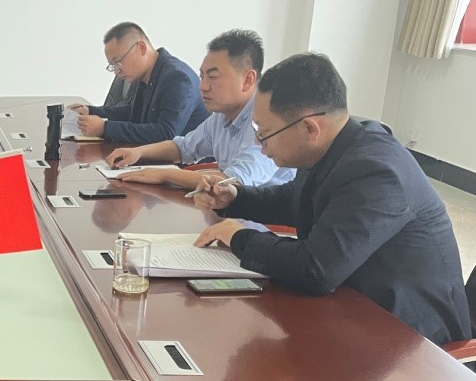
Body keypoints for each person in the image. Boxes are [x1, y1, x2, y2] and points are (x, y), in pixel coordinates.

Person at [193, 52, 470, 346]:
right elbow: (294, 200)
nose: (259, 144)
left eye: (265, 133)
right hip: (352, 308)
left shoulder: (377, 171)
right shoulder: (334, 145)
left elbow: (316, 269)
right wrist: (234, 198)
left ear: (310, 129)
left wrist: (239, 237)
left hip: (413, 341)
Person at [108, 29, 294, 190]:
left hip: (267, 217)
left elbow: (231, 181)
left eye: (213, 77)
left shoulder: (267, 121)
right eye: (202, 76)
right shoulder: (222, 115)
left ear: (247, 80)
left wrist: (163, 174)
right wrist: (139, 153)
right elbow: (183, 148)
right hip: (233, 209)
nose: (202, 87)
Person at [71, 22, 208, 144]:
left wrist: (104, 128)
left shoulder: (177, 78)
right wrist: (92, 111)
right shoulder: (144, 74)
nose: (116, 71)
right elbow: (133, 112)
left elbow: (166, 133)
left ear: (141, 48)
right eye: (112, 65)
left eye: (118, 61)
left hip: (188, 162)